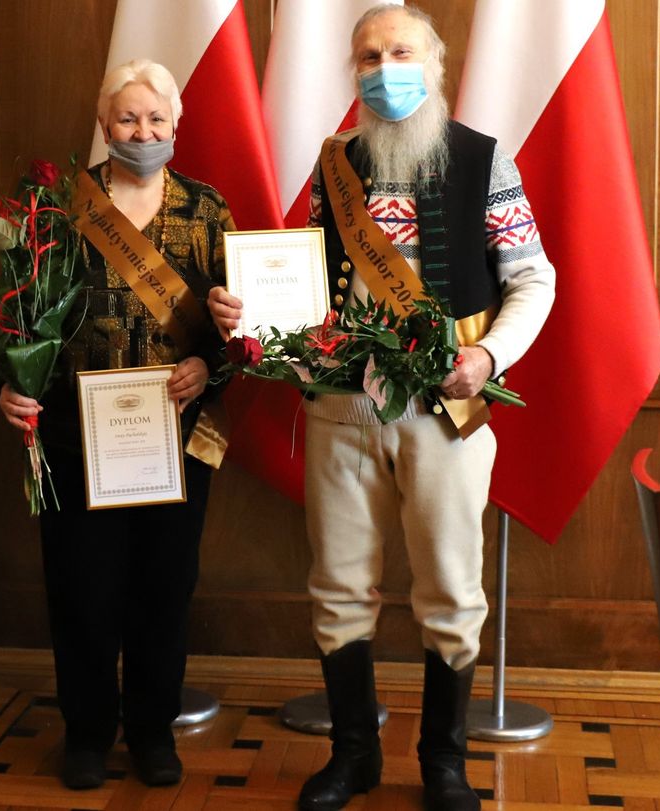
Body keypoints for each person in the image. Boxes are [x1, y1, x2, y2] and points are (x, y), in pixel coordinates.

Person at [210, 5, 555, 810]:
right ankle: (353, 754)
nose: (383, 68)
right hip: (341, 409)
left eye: (400, 52)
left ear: (433, 65)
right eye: (368, 56)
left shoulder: (483, 160)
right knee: (337, 585)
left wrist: (489, 355)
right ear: (353, 73)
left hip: (447, 412)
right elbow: (300, 288)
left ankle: (444, 763)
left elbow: (533, 276)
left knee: (451, 589)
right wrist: (244, 316)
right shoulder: (337, 165)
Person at [0, 58, 234, 791]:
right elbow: (14, 312)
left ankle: (154, 732)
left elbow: (242, 325)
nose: (143, 131)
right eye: (129, 118)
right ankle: (88, 733)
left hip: (175, 435)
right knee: (83, 589)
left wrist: (210, 365)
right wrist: (9, 384)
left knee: (165, 588)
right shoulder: (57, 206)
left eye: (157, 119)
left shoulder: (208, 210)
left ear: (177, 125)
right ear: (104, 125)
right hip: (75, 437)